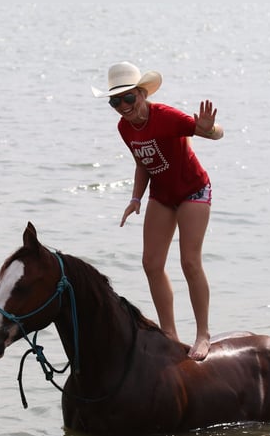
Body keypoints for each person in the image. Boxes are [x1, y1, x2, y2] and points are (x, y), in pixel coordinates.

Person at [92, 61, 223, 361]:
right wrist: (136, 198)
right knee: (151, 264)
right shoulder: (124, 128)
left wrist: (209, 128)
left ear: (142, 94)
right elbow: (142, 162)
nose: (122, 106)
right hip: (161, 196)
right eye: (115, 101)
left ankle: (203, 334)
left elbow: (216, 134)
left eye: (128, 98)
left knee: (189, 262)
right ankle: (170, 335)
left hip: (193, 190)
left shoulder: (165, 117)